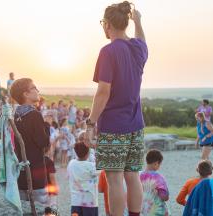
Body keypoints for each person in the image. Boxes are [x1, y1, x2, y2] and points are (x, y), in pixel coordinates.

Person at [87, 2, 147, 216]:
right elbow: (141, 39)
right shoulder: (139, 48)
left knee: (114, 179)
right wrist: (138, 21)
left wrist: (90, 123)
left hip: (113, 125)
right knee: (133, 175)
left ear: (107, 24)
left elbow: (103, 92)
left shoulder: (108, 51)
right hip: (136, 124)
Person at [10, 78, 50, 205]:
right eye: (34, 88)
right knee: (39, 208)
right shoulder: (35, 115)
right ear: (25, 94)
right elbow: (44, 144)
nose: (37, 90)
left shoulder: (14, 115)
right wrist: (47, 127)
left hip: (20, 172)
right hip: (35, 173)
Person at [67, 142, 99, 216]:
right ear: (88, 153)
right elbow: (101, 165)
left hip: (75, 201)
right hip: (90, 201)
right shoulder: (91, 166)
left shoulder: (71, 164)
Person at [140, 149, 169, 216]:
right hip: (157, 211)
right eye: (160, 164)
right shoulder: (159, 178)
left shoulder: (139, 176)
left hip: (143, 210)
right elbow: (164, 197)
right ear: (156, 163)